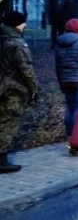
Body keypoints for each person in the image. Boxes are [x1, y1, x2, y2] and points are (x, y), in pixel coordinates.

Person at [0, 11, 38, 173]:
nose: (25, 25)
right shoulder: (16, 43)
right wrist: (34, 90)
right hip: (12, 89)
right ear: (16, 24)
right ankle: (1, 159)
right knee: (8, 123)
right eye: (23, 23)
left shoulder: (2, 39)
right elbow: (26, 70)